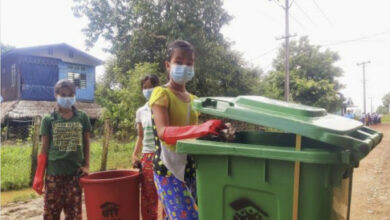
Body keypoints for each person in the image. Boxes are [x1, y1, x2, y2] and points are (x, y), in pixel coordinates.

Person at [150, 40, 226, 220]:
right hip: (167, 168)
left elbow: (196, 134)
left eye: (189, 63)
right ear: (168, 65)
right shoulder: (161, 93)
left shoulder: (194, 100)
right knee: (187, 217)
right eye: (179, 62)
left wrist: (216, 131)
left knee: (181, 215)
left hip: (190, 166)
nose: (184, 66)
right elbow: (163, 133)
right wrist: (202, 128)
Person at [32, 79, 91, 219]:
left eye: (70, 95)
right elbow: (44, 148)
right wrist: (39, 176)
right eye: (63, 95)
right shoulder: (48, 119)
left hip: (75, 175)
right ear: (56, 95)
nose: (67, 98)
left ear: (75, 96)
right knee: (51, 214)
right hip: (54, 175)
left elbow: (87, 143)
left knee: (74, 215)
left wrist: (87, 166)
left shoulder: (82, 117)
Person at [132, 74, 161, 220]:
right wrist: (134, 154)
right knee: (148, 196)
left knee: (166, 195)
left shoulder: (164, 107)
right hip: (147, 157)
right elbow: (140, 136)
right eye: (145, 87)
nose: (148, 90)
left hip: (164, 155)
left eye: (151, 87)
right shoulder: (140, 111)